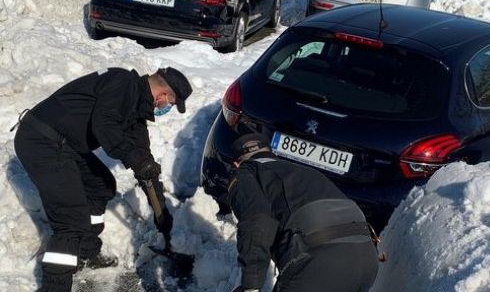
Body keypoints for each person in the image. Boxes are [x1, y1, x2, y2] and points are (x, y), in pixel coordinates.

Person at [12, 67, 192, 292]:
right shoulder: (122, 83)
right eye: (171, 104)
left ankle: (85, 252)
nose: (167, 108)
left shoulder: (136, 107)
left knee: (101, 186)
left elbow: (144, 160)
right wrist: (135, 158)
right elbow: (104, 125)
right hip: (41, 140)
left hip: (66, 145)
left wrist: (161, 212)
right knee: (71, 221)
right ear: (163, 95)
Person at [227, 134, 379, 292]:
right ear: (271, 153)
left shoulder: (246, 172)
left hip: (320, 262)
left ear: (237, 164)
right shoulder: (302, 171)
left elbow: (257, 221)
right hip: (366, 260)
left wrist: (251, 286)